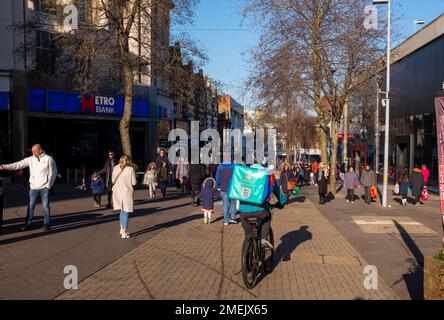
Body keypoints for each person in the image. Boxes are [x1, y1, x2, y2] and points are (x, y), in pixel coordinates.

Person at [0, 144, 57, 231]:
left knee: (45, 206)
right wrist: (6, 166)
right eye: (32, 151)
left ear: (40, 150)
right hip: (33, 187)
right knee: (31, 206)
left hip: (44, 187)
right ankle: (28, 224)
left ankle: (47, 224)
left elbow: (53, 172)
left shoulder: (48, 159)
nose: (33, 152)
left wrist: (48, 185)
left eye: (35, 151)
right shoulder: (30, 159)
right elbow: (18, 164)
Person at [239, 164, 278, 250]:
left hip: (244, 212)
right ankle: (264, 239)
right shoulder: (266, 176)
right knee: (267, 217)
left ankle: (248, 245)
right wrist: (281, 202)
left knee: (248, 234)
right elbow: (275, 189)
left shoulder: (245, 175)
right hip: (260, 211)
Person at [112, 155, 137, 239]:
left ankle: (122, 229)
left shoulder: (115, 168)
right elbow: (134, 183)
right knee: (126, 211)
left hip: (117, 192)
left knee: (121, 211)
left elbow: (112, 180)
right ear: (128, 161)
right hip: (126, 192)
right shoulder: (130, 169)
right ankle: (124, 233)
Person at [215, 155, 237, 226]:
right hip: (233, 188)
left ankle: (226, 221)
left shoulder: (219, 167)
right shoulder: (234, 167)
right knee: (233, 203)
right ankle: (233, 218)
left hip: (223, 187)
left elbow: (217, 178)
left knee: (225, 204)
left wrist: (218, 185)